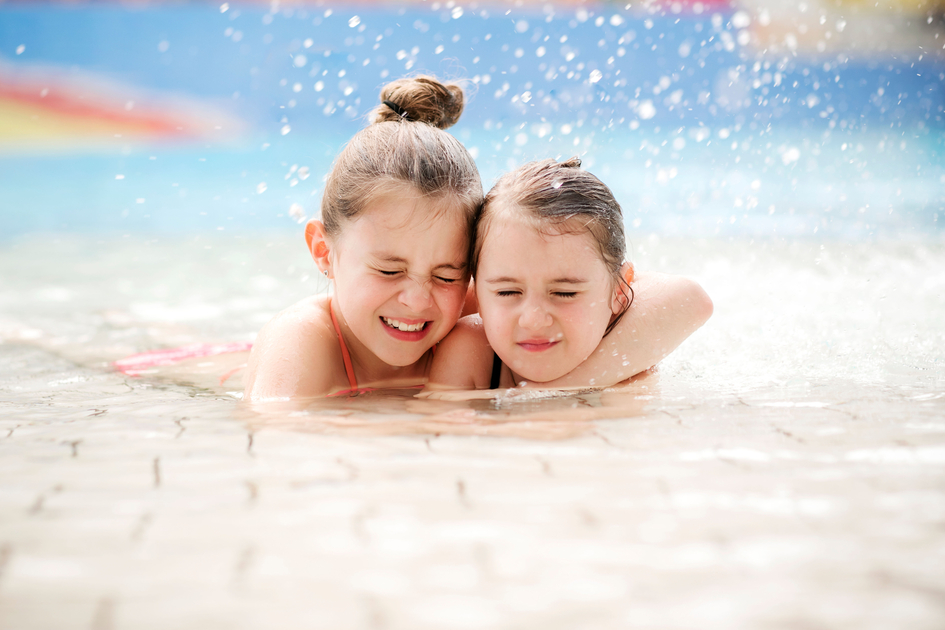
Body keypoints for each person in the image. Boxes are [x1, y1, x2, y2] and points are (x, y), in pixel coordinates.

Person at [242, 76, 483, 400]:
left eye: (446, 276)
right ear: (324, 250)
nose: (417, 301)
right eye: (389, 271)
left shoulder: (481, 317)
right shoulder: (299, 342)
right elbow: (283, 444)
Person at [422, 157, 713, 394]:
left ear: (619, 292)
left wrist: (545, 392)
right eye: (507, 292)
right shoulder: (470, 353)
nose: (533, 319)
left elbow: (692, 299)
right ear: (478, 292)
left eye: (564, 293)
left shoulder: (629, 358)